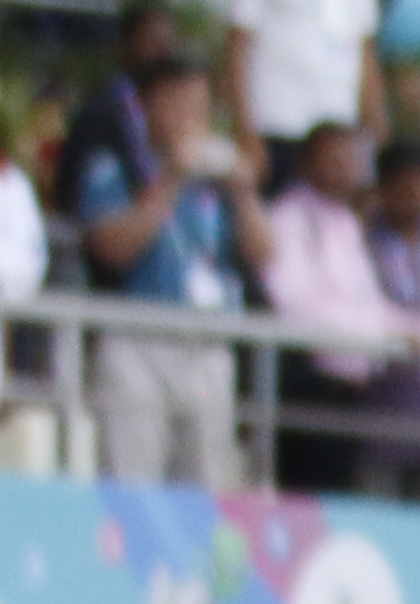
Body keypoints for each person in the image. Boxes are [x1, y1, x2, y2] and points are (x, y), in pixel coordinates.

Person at [72, 52, 249, 486]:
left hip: (206, 342)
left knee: (207, 481)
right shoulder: (115, 166)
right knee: (133, 477)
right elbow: (111, 248)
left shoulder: (214, 178)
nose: (192, 120)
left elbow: (265, 253)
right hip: (138, 339)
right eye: (179, 106)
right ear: (148, 107)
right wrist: (169, 178)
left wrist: (245, 193)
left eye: (200, 109)